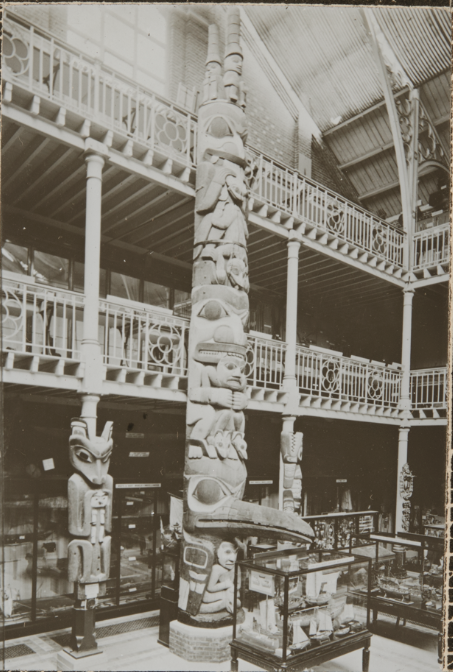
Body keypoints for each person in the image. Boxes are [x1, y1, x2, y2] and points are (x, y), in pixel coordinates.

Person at [199, 541, 240, 613]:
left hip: (228, 592)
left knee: (237, 599)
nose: (232, 559)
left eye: (235, 553)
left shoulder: (236, 567)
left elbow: (238, 584)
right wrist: (226, 584)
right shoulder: (216, 569)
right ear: (218, 553)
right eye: (227, 552)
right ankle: (225, 604)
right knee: (205, 596)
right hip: (212, 594)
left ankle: (227, 603)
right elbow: (210, 588)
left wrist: (233, 588)